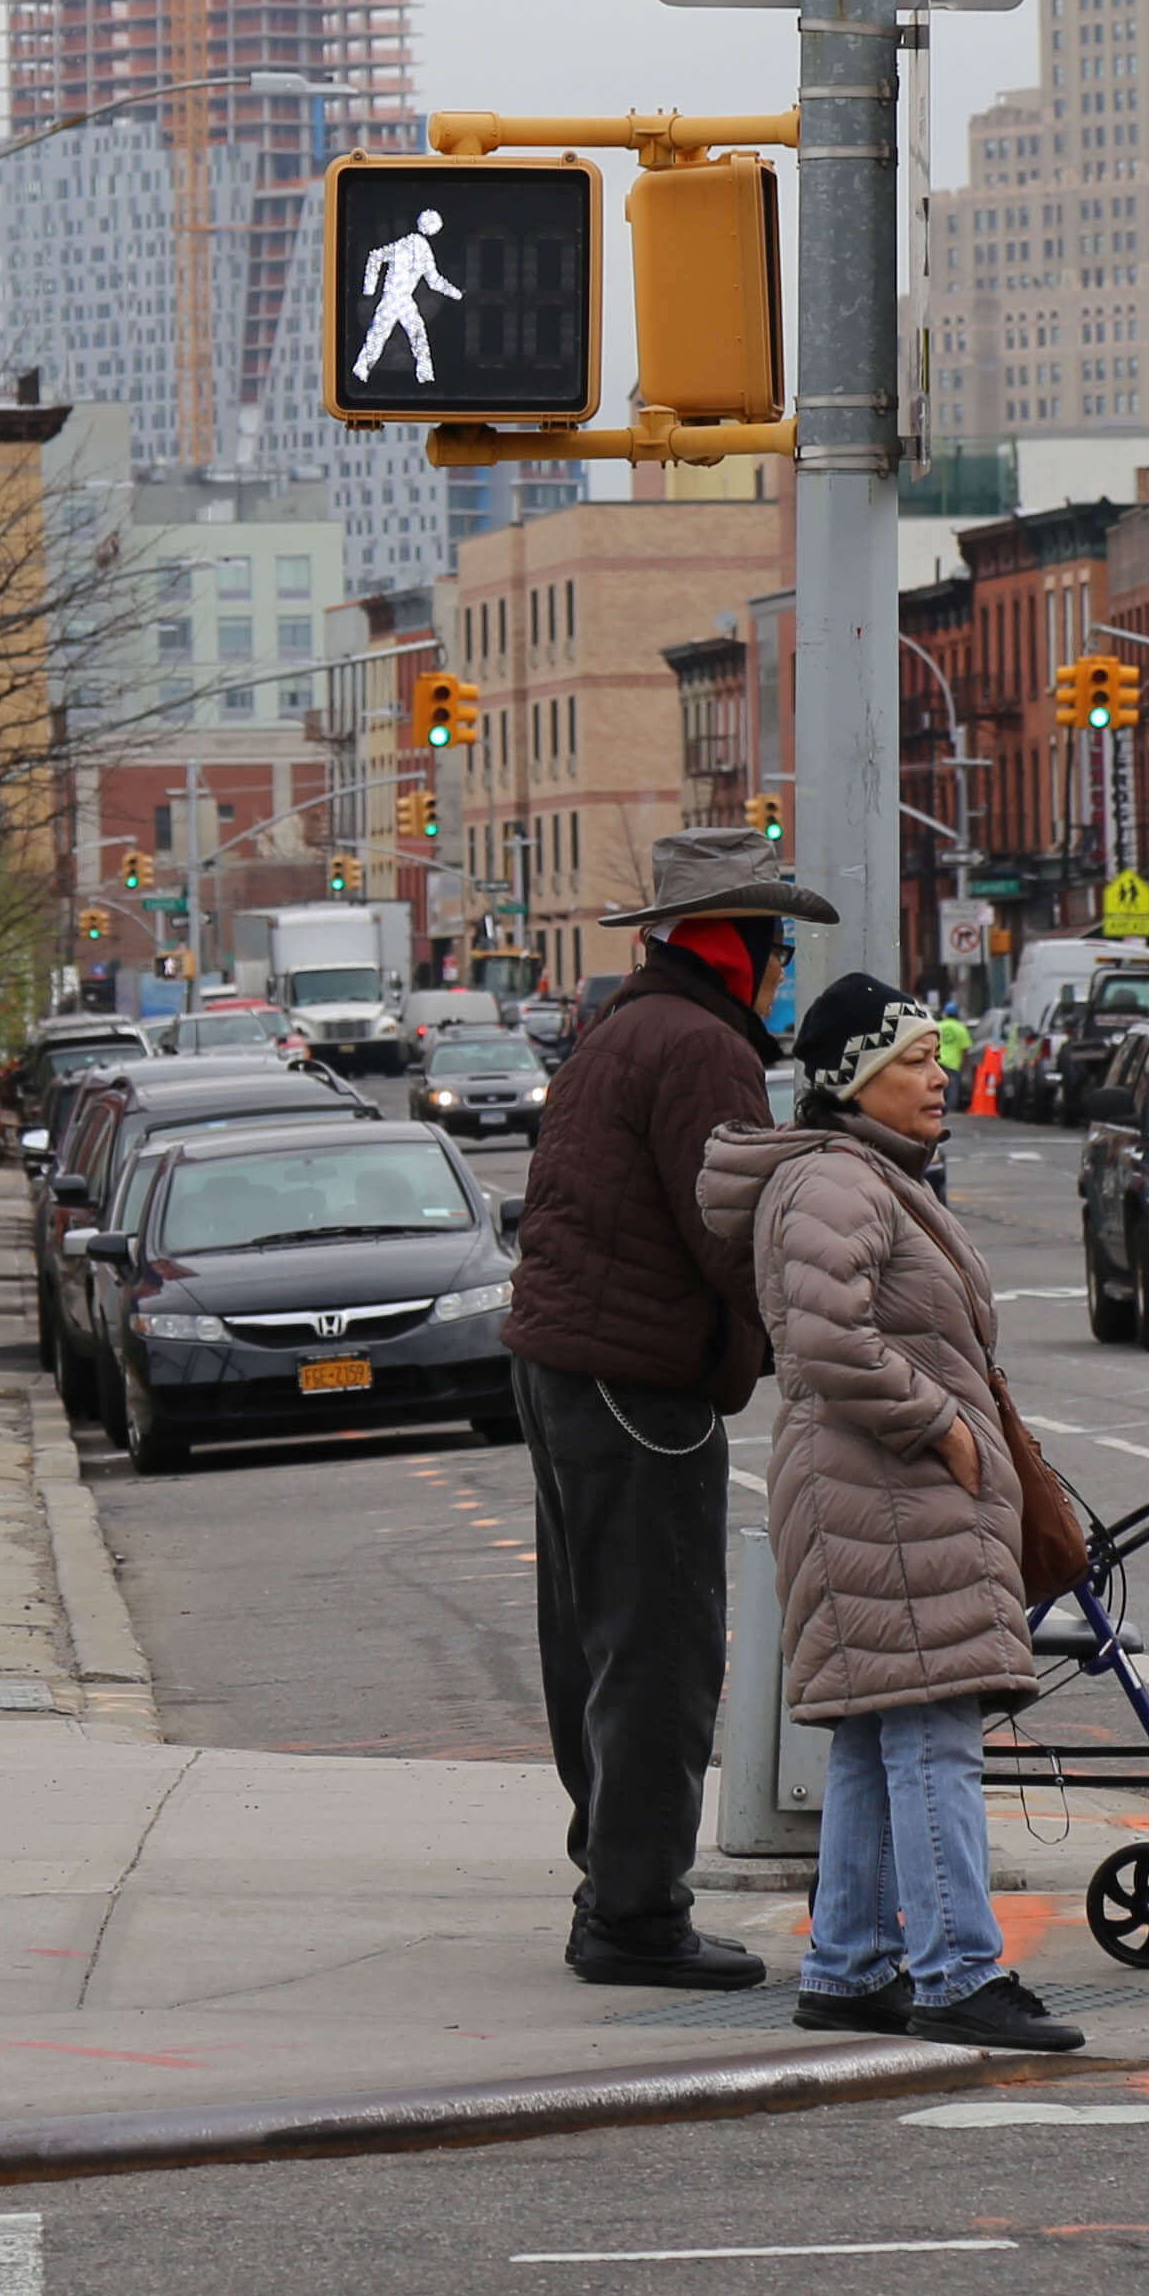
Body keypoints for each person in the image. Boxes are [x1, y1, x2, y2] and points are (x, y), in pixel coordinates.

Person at [709, 973, 1086, 2053]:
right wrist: (947, 1430)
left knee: (885, 1736)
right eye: (913, 1061)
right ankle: (961, 1970)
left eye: (936, 1055)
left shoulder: (867, 1175)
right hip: (883, 1486)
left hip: (880, 1489)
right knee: (934, 1735)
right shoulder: (837, 1180)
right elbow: (828, 1343)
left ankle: (850, 1965)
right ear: (852, 1081)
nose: (940, 1075)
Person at [501, 826, 836, 1988]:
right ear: (735, 946)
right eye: (777, 943)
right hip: (638, 1381)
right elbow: (729, 1232)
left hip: (565, 1367)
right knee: (661, 1651)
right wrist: (813, 1340)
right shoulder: (703, 1049)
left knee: (592, 1641)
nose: (784, 967)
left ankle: (616, 1880)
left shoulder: (622, 1029)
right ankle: (636, 1915)